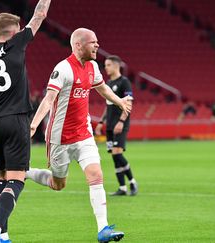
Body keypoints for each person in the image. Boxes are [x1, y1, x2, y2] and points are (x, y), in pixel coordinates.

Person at [27, 28, 131, 243]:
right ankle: (25, 172)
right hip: (60, 138)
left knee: (96, 175)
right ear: (78, 45)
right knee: (58, 184)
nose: (97, 45)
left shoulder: (93, 66)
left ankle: (103, 228)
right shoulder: (63, 69)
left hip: (84, 135)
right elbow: (48, 100)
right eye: (93, 42)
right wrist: (33, 125)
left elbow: (102, 89)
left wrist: (119, 101)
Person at [0, 1, 51, 242]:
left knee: (1, 179)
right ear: (14, 31)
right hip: (16, 120)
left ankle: (3, 235)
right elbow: (40, 14)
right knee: (17, 179)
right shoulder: (16, 44)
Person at [95, 55, 138, 196]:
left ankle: (132, 182)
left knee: (117, 154)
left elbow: (129, 104)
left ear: (116, 66)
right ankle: (122, 187)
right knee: (114, 156)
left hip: (120, 124)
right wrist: (101, 122)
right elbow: (108, 105)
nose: (105, 67)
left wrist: (121, 122)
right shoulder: (107, 83)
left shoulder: (124, 82)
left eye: (108, 65)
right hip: (109, 125)